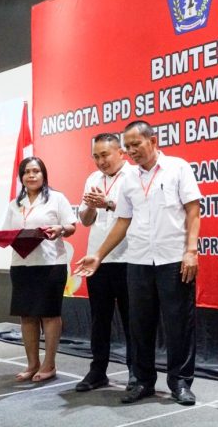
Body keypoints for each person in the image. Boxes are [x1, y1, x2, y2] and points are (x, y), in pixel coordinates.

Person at [74, 120, 201, 406]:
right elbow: (123, 221)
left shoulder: (178, 168)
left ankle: (180, 382)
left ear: (153, 141)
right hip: (139, 260)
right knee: (140, 325)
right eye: (128, 147)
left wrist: (191, 251)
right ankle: (142, 381)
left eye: (136, 145)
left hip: (173, 259)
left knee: (178, 323)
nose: (132, 151)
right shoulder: (130, 179)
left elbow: (193, 211)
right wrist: (99, 255)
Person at [2, 156, 77, 383]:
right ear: (21, 177)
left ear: (44, 175)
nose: (31, 175)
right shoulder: (15, 204)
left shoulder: (57, 198)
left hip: (50, 264)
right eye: (26, 172)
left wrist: (60, 228)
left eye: (36, 171)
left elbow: (72, 227)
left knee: (50, 314)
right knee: (27, 315)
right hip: (22, 265)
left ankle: (49, 364)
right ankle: (32, 363)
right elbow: (7, 233)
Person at [75, 133, 134, 392]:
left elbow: (135, 213)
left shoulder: (134, 176)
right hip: (97, 260)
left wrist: (107, 202)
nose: (101, 161)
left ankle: (137, 372)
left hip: (129, 258)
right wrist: (90, 206)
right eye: (96, 156)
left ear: (121, 152)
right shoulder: (93, 179)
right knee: (99, 319)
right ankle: (97, 371)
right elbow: (86, 221)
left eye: (105, 155)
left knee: (133, 320)